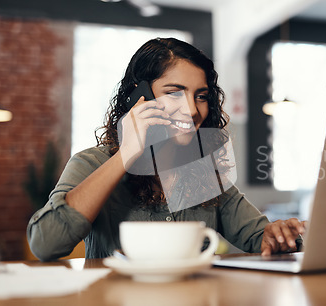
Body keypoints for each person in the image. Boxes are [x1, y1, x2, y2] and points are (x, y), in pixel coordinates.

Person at [27, 38, 305, 261]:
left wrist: (276, 235)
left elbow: (258, 236)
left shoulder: (207, 175)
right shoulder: (91, 163)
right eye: (174, 92)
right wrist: (127, 154)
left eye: (201, 96)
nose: (192, 110)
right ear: (140, 97)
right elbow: (46, 244)